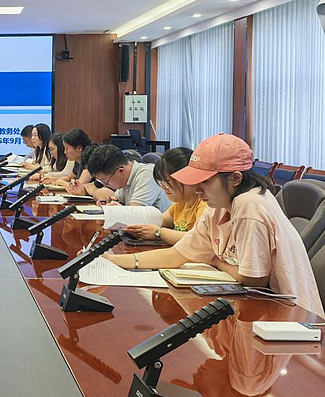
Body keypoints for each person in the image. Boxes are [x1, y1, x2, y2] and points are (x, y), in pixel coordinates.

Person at [104, 133, 324, 315]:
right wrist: (112, 261)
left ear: (235, 178)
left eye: (206, 181)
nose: (197, 190)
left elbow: (253, 279)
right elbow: (176, 255)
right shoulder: (218, 206)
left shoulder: (250, 205)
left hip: (289, 316)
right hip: (255, 309)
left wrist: (217, 261)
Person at [124, 147, 208, 245]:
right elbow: (161, 220)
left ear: (186, 178)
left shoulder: (204, 204)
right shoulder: (182, 201)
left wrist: (159, 233)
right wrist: (126, 218)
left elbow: (197, 239)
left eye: (167, 182)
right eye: (161, 182)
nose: (163, 187)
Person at [86, 144, 170, 210]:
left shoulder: (147, 175)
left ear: (121, 171)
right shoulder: (125, 179)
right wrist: (107, 201)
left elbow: (134, 214)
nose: (105, 185)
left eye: (105, 181)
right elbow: (117, 198)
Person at [59, 128, 101, 196]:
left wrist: (63, 183)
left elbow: (77, 188)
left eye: (67, 149)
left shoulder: (90, 159)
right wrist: (55, 180)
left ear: (79, 148)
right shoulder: (77, 160)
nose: (64, 152)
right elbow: (69, 178)